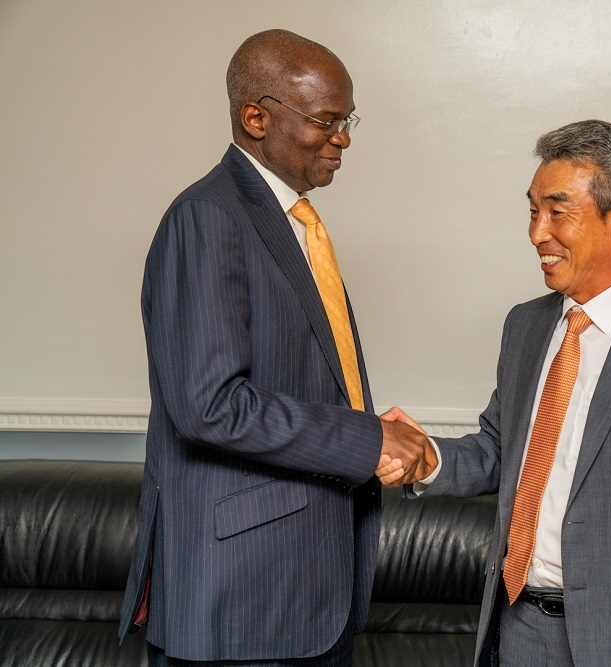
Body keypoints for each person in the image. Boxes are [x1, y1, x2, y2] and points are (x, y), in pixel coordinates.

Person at [378, 120, 611, 667]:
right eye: (533, 211)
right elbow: (499, 451)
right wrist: (427, 456)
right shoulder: (525, 326)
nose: (538, 232)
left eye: (557, 212)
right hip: (516, 628)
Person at [118, 29, 433, 666]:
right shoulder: (207, 218)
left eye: (347, 120)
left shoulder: (290, 223)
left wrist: (370, 435)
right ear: (255, 117)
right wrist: (368, 440)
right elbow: (210, 405)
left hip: (307, 591)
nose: (342, 137)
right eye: (326, 120)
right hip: (242, 600)